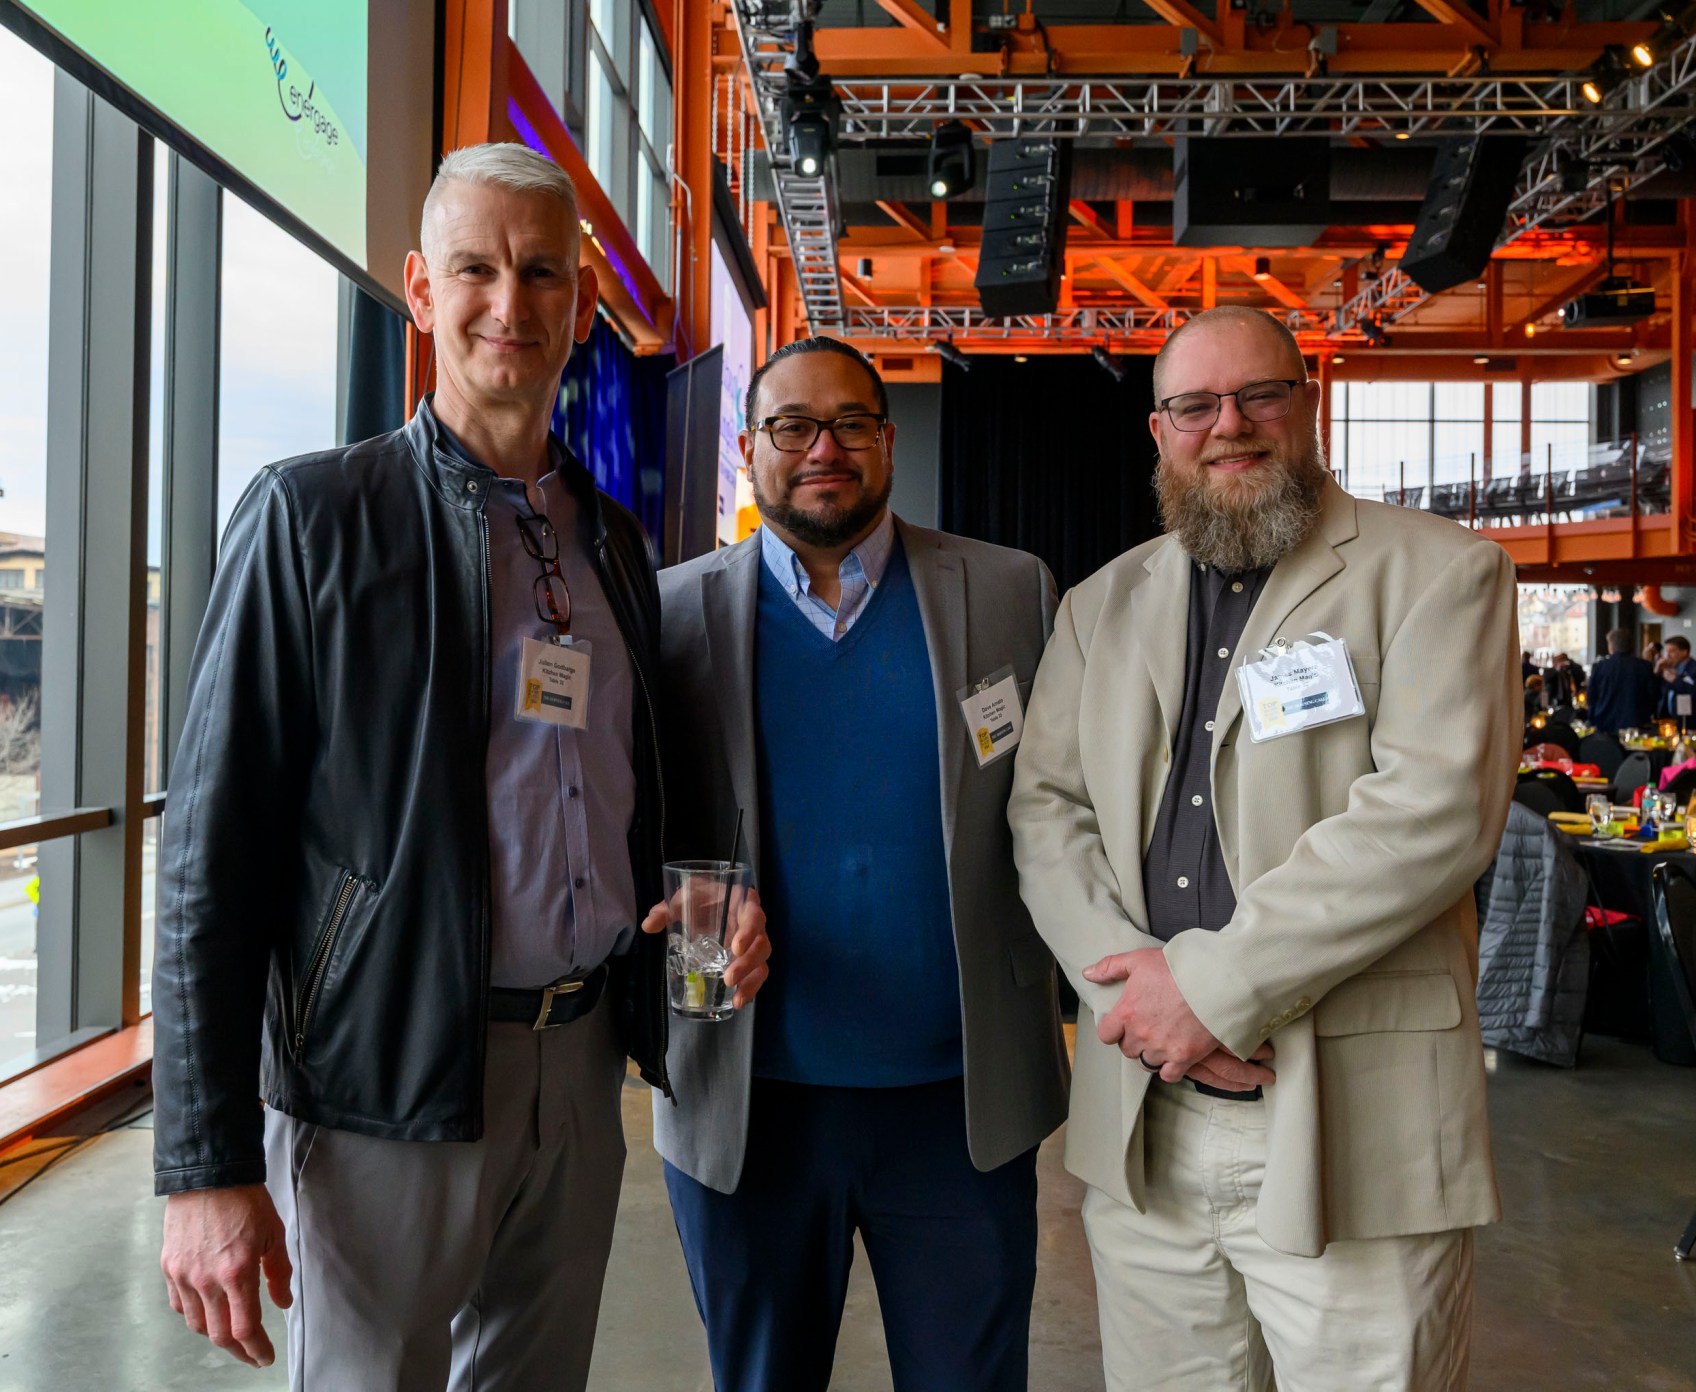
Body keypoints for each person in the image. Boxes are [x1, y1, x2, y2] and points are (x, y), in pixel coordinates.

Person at [149, 143, 770, 1392]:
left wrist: (700, 902)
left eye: (543, 273)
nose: (511, 304)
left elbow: (624, 781)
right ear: (419, 293)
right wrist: (202, 1165)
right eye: (475, 269)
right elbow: (208, 860)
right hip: (381, 1074)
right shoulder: (310, 518)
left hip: (580, 1063)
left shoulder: (607, 537)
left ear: (582, 308)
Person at [1009, 305, 1518, 1392]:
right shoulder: (1098, 607)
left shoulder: (1438, 572)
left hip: (1352, 1128)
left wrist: (1209, 991)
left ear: (1307, 402)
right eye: (1194, 405)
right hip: (1144, 1121)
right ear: (1158, 431)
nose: (1226, 426)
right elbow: (1046, 815)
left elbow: (1429, 814)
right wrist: (1139, 1007)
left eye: (1258, 397)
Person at [647, 335, 1069, 1392]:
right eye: (791, 425)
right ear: (748, 449)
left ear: (886, 441)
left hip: (956, 1104)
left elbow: (1067, 806)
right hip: (750, 1105)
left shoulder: (1010, 593)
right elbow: (622, 824)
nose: (820, 447)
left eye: (849, 423)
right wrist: (688, 914)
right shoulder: (669, 614)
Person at [1586, 628, 1661, 733]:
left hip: (1604, 723)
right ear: (1631, 646)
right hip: (1636, 723)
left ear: (1611, 646)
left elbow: (1591, 697)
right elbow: (1654, 695)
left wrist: (1592, 718)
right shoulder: (1644, 666)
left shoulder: (1599, 667)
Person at [1659, 634, 1696, 719]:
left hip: (1689, 723)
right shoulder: (1668, 669)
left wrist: (1675, 680)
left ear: (1684, 652)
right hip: (1668, 722)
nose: (1667, 656)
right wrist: (1657, 673)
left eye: (1671, 652)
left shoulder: (1693, 669)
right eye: (1666, 652)